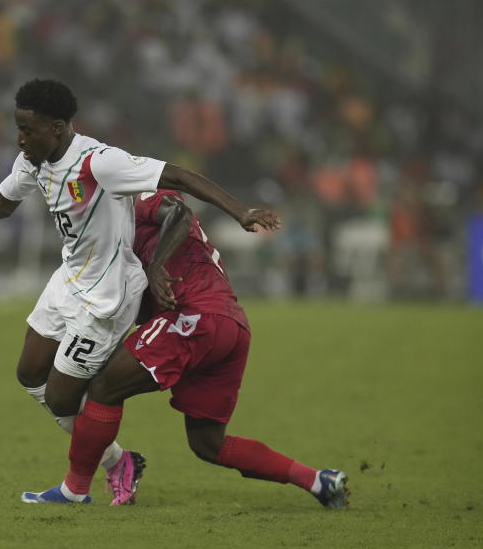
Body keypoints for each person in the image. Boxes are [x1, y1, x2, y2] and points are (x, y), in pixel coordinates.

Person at [0, 79, 278, 504]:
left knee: (62, 396)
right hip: (69, 277)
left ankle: (86, 480)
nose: (20, 139)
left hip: (108, 295)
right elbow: (2, 203)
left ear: (57, 128)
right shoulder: (33, 160)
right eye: (17, 128)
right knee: (28, 373)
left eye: (29, 129)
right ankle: (118, 461)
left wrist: (240, 210)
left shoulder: (99, 162)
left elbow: (177, 176)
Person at [21, 190, 350, 508]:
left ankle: (75, 489)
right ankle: (317, 480)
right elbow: (147, 306)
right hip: (231, 325)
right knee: (208, 443)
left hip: (197, 318)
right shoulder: (118, 234)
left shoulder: (138, 198)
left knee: (106, 386)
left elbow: (178, 212)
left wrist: (155, 266)